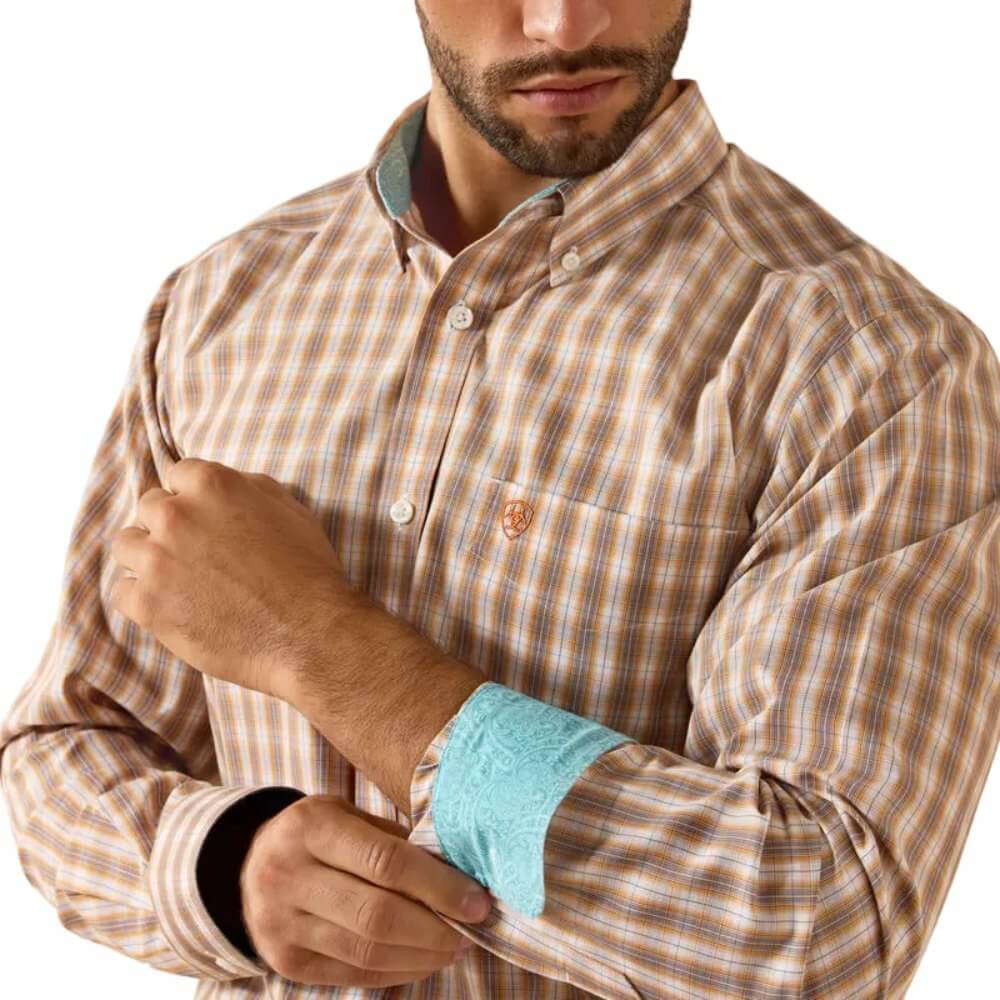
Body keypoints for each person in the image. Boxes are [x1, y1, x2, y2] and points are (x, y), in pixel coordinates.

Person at [2, 1, 997, 997]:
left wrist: (320, 645)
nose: (566, 26)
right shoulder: (222, 302)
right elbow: (65, 748)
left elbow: (825, 926)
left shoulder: (876, 367)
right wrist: (221, 865)